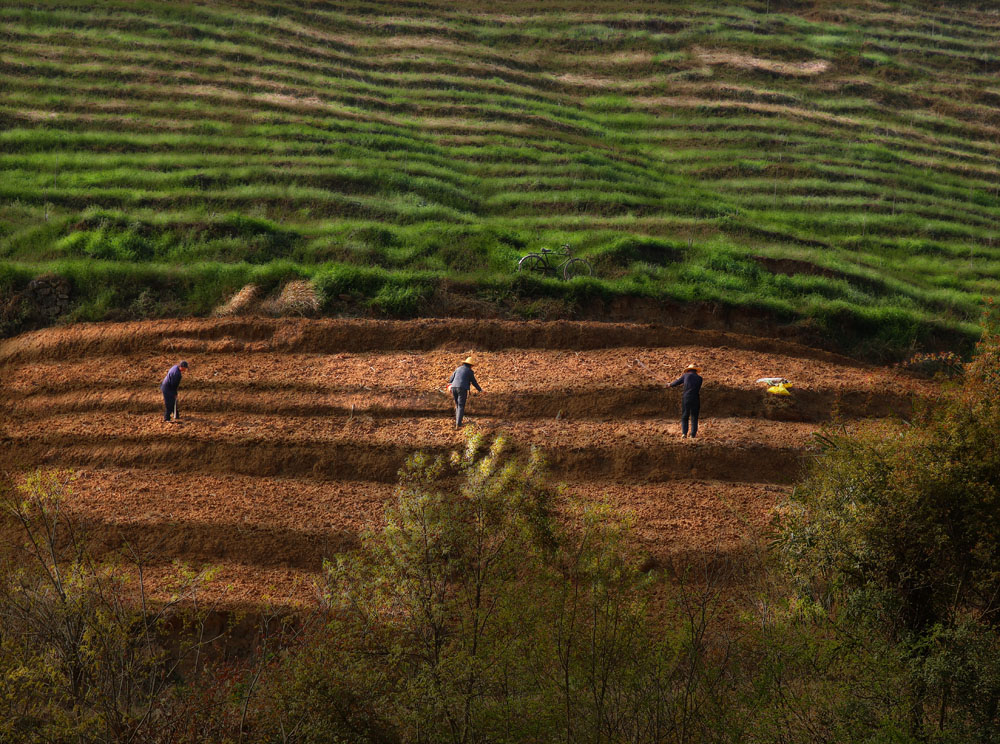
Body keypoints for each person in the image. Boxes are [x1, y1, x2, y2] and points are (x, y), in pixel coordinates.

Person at [446, 355, 482, 428]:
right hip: (462, 388)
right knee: (461, 406)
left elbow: (451, 379)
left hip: (453, 387)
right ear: (471, 365)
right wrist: (480, 390)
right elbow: (474, 382)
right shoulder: (469, 372)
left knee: (457, 405)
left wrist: (449, 386)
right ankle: (458, 424)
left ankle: (457, 422)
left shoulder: (458, 369)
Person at [668, 363, 702, 439]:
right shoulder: (700, 378)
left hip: (686, 397)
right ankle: (692, 435)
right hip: (696, 398)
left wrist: (670, 384)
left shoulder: (686, 375)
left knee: (685, 416)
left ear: (688, 370)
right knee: (694, 416)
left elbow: (677, 382)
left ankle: (684, 433)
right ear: (696, 371)